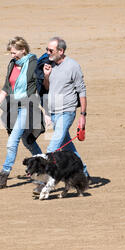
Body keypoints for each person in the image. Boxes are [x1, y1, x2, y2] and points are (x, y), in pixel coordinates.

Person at [0, 37, 44, 189]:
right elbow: (6, 87)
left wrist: (47, 112)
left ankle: (3, 175)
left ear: (23, 50)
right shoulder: (12, 64)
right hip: (13, 107)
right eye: (10, 53)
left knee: (13, 141)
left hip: (27, 106)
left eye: (14, 53)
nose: (12, 56)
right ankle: (44, 165)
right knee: (27, 140)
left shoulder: (33, 64)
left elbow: (41, 84)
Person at [41, 37, 90, 189]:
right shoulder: (51, 66)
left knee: (52, 149)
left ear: (61, 51)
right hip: (55, 113)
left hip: (67, 112)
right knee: (68, 149)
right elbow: (47, 88)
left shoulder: (73, 66)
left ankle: (45, 184)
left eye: (51, 50)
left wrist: (83, 115)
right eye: (47, 49)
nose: (47, 53)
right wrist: (47, 76)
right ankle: (85, 175)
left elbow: (82, 91)